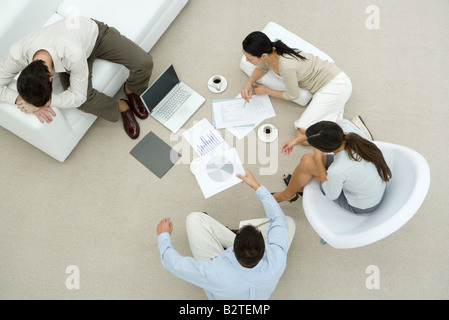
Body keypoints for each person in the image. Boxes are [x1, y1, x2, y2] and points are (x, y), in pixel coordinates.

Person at [0, 17, 153, 139]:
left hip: (94, 37)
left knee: (144, 63)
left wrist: (46, 102)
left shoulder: (72, 52)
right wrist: (19, 100)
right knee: (85, 102)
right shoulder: (17, 54)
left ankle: (131, 89)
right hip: (69, 56)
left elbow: (77, 96)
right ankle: (122, 106)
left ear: (51, 78)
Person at [156, 169, 296, 300]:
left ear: (233, 249)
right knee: (287, 223)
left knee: (194, 219)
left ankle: (226, 234)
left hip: (221, 269)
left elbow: (174, 264)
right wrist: (256, 186)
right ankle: (230, 234)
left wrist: (163, 236)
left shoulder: (212, 273)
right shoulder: (277, 257)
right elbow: (278, 219)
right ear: (265, 248)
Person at [240, 31, 352, 148]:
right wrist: (248, 83)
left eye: (249, 58)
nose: (246, 60)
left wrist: (266, 91)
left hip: (335, 85)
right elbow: (263, 67)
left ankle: (346, 135)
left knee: (301, 135)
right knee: (327, 120)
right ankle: (341, 124)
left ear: (263, 55)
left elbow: (293, 95)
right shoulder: (271, 52)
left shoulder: (286, 66)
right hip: (332, 82)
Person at [273, 120, 391, 214]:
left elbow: (331, 194)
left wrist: (318, 159)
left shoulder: (338, 169)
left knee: (308, 162)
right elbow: (323, 131)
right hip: (372, 186)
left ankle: (287, 194)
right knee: (307, 160)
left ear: (325, 150)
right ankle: (296, 189)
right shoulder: (346, 128)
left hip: (363, 205)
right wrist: (297, 140)